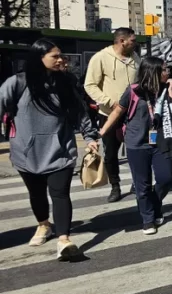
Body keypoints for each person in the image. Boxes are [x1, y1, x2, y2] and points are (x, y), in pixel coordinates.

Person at [0, 39, 100, 260]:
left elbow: (81, 112)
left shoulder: (65, 83)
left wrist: (90, 136)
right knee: (36, 194)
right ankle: (44, 224)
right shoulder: (17, 83)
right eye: (55, 56)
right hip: (27, 152)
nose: (60, 59)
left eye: (61, 55)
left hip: (60, 149)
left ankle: (64, 240)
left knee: (60, 193)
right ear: (39, 58)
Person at [99, 57, 172, 236]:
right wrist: (102, 132)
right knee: (142, 185)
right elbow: (118, 111)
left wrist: (170, 89)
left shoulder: (165, 89)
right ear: (153, 72)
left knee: (166, 178)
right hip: (137, 143)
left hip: (159, 141)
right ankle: (148, 219)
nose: (167, 72)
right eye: (164, 69)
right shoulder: (133, 91)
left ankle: (155, 204)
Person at [84, 27, 139, 202]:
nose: (135, 44)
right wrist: (108, 101)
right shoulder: (100, 58)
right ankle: (115, 186)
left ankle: (137, 182)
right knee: (110, 154)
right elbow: (90, 85)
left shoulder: (135, 59)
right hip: (108, 114)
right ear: (122, 41)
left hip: (132, 113)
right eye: (132, 40)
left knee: (136, 150)